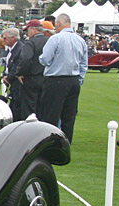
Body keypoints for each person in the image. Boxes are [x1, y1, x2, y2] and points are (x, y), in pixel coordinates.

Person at [38, 13, 89, 142]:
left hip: (56, 79)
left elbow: (45, 59)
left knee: (51, 114)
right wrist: (79, 79)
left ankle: (49, 142)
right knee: (69, 116)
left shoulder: (56, 39)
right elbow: (84, 63)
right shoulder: (80, 40)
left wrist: (44, 60)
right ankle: (66, 144)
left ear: (59, 24)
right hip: (73, 80)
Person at [14, 20, 48, 120]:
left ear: (33, 29)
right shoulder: (49, 41)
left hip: (31, 78)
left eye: (28, 30)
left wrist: (19, 73)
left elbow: (26, 59)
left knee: (29, 108)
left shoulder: (30, 43)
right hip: (46, 78)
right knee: (42, 108)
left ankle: (29, 132)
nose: (27, 33)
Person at [0, 27, 24, 119]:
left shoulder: (20, 49)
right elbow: (8, 64)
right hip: (11, 81)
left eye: (5, 38)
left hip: (17, 83)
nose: (3, 40)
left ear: (13, 38)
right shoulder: (11, 49)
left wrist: (9, 77)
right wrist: (4, 75)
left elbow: (17, 65)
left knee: (16, 106)